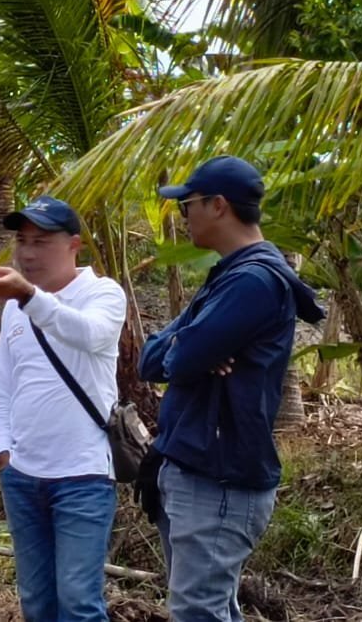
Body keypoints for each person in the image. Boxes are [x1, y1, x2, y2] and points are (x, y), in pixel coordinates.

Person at [140, 157, 324, 622]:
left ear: (218, 205)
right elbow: (153, 358)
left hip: (217, 480)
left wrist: (188, 350)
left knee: (197, 612)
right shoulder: (231, 274)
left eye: (188, 205)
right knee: (208, 609)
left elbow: (179, 358)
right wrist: (190, 348)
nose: (183, 215)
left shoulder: (253, 281)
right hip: (199, 469)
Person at [0, 196, 127, 622]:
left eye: (41, 241)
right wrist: (3, 449)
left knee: (79, 604)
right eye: (22, 241)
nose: (27, 253)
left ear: (74, 245)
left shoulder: (102, 293)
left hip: (83, 476)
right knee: (37, 602)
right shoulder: (15, 308)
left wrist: (29, 295)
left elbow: (89, 334)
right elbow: (5, 386)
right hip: (23, 477)